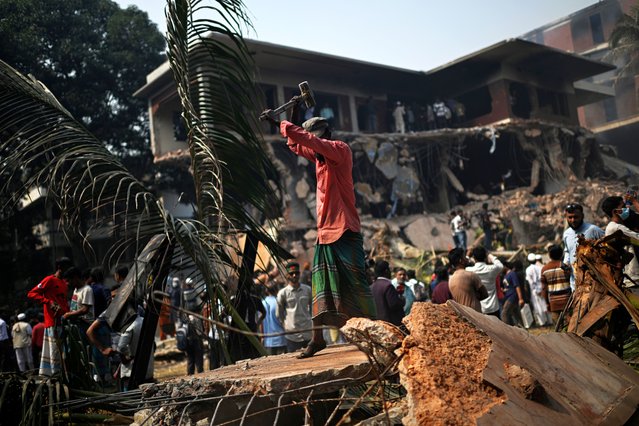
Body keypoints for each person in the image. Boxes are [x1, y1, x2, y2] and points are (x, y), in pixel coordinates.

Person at [262, 102, 376, 358]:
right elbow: (295, 144)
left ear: (323, 134)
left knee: (356, 283)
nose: (312, 142)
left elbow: (304, 139)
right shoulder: (320, 158)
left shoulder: (338, 150)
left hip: (345, 229)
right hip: (325, 232)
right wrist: (284, 120)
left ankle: (371, 333)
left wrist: (282, 123)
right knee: (320, 287)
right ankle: (318, 339)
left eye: (314, 137)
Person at [27, 257, 72, 376]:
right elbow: (31, 293)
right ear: (59, 267)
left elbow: (64, 302)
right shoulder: (49, 280)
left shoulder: (64, 283)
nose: (68, 270)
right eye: (66, 267)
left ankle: (62, 375)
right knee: (53, 351)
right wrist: (48, 301)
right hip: (53, 321)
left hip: (63, 321)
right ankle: (54, 376)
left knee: (63, 352)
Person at [562, 203, 604, 290]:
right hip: (575, 283)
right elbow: (567, 251)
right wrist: (566, 263)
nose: (573, 220)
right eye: (570, 217)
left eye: (576, 217)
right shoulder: (566, 233)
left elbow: (607, 247)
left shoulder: (593, 230)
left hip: (595, 282)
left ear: (582, 216)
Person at [602, 195, 639, 284]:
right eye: (623, 207)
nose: (627, 209)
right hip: (633, 279)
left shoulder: (620, 225)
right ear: (615, 211)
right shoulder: (617, 228)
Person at [276, 262, 313, 353]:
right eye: (291, 273)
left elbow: (313, 308)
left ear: (300, 274)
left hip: (308, 333)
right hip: (292, 336)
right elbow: (279, 314)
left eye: (296, 273)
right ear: (287, 275)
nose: (294, 275)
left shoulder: (307, 290)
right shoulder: (283, 293)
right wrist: (285, 325)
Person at [465, 247, 503, 317]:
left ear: (474, 258)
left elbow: (462, 265)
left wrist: (467, 256)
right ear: (485, 257)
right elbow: (500, 265)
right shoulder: (492, 269)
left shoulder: (469, 270)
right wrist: (489, 255)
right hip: (493, 307)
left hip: (479, 308)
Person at [540, 245, 572, 323]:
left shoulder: (544, 269)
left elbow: (544, 288)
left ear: (549, 255)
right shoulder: (565, 267)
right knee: (570, 326)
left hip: (554, 303)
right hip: (567, 302)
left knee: (559, 328)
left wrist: (547, 303)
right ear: (561, 254)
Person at [63, 267, 95, 340]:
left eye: (69, 280)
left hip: (85, 326)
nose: (68, 283)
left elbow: (85, 309)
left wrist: (69, 314)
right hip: (77, 325)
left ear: (75, 278)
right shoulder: (76, 290)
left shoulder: (87, 290)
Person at [370, 261, 405, 326]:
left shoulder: (371, 287)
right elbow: (394, 305)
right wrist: (402, 300)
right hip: (389, 324)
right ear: (386, 271)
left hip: (376, 324)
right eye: (389, 269)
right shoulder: (388, 286)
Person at [262, 282, 287, 355]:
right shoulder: (278, 302)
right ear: (277, 290)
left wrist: (262, 336)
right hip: (281, 339)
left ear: (266, 291)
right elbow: (284, 319)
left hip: (268, 341)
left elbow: (261, 323)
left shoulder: (263, 303)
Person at [526, 253, 550, 326]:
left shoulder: (528, 269)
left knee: (538, 307)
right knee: (544, 305)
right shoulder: (539, 268)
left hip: (534, 291)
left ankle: (542, 323)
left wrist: (535, 290)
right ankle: (549, 321)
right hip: (542, 289)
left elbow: (531, 282)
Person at [501, 260, 525, 327]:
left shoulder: (512, 274)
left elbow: (517, 286)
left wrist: (520, 299)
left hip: (512, 296)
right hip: (508, 296)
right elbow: (508, 286)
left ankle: (508, 330)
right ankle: (522, 329)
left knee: (504, 313)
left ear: (505, 266)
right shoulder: (505, 275)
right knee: (516, 314)